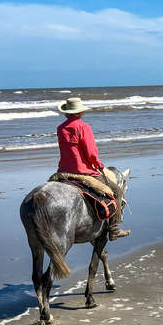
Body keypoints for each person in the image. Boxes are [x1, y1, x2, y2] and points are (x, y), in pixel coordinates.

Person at [57, 97, 130, 240]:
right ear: (81, 112)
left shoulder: (60, 128)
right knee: (117, 191)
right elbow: (91, 153)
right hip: (82, 171)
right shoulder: (84, 127)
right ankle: (114, 229)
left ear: (66, 113)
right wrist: (99, 165)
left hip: (64, 171)